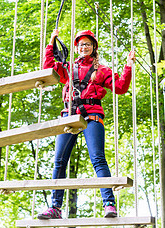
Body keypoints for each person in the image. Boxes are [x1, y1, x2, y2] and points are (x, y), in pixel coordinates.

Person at [37, 29, 135, 219]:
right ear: (77, 48)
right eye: (81, 44)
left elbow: (121, 87)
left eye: (88, 44)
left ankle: (109, 205)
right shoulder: (67, 67)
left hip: (92, 115)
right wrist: (51, 42)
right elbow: (47, 67)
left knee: (98, 158)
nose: (84, 47)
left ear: (93, 47)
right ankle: (55, 207)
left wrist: (128, 66)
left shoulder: (101, 70)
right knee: (59, 161)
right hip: (69, 115)